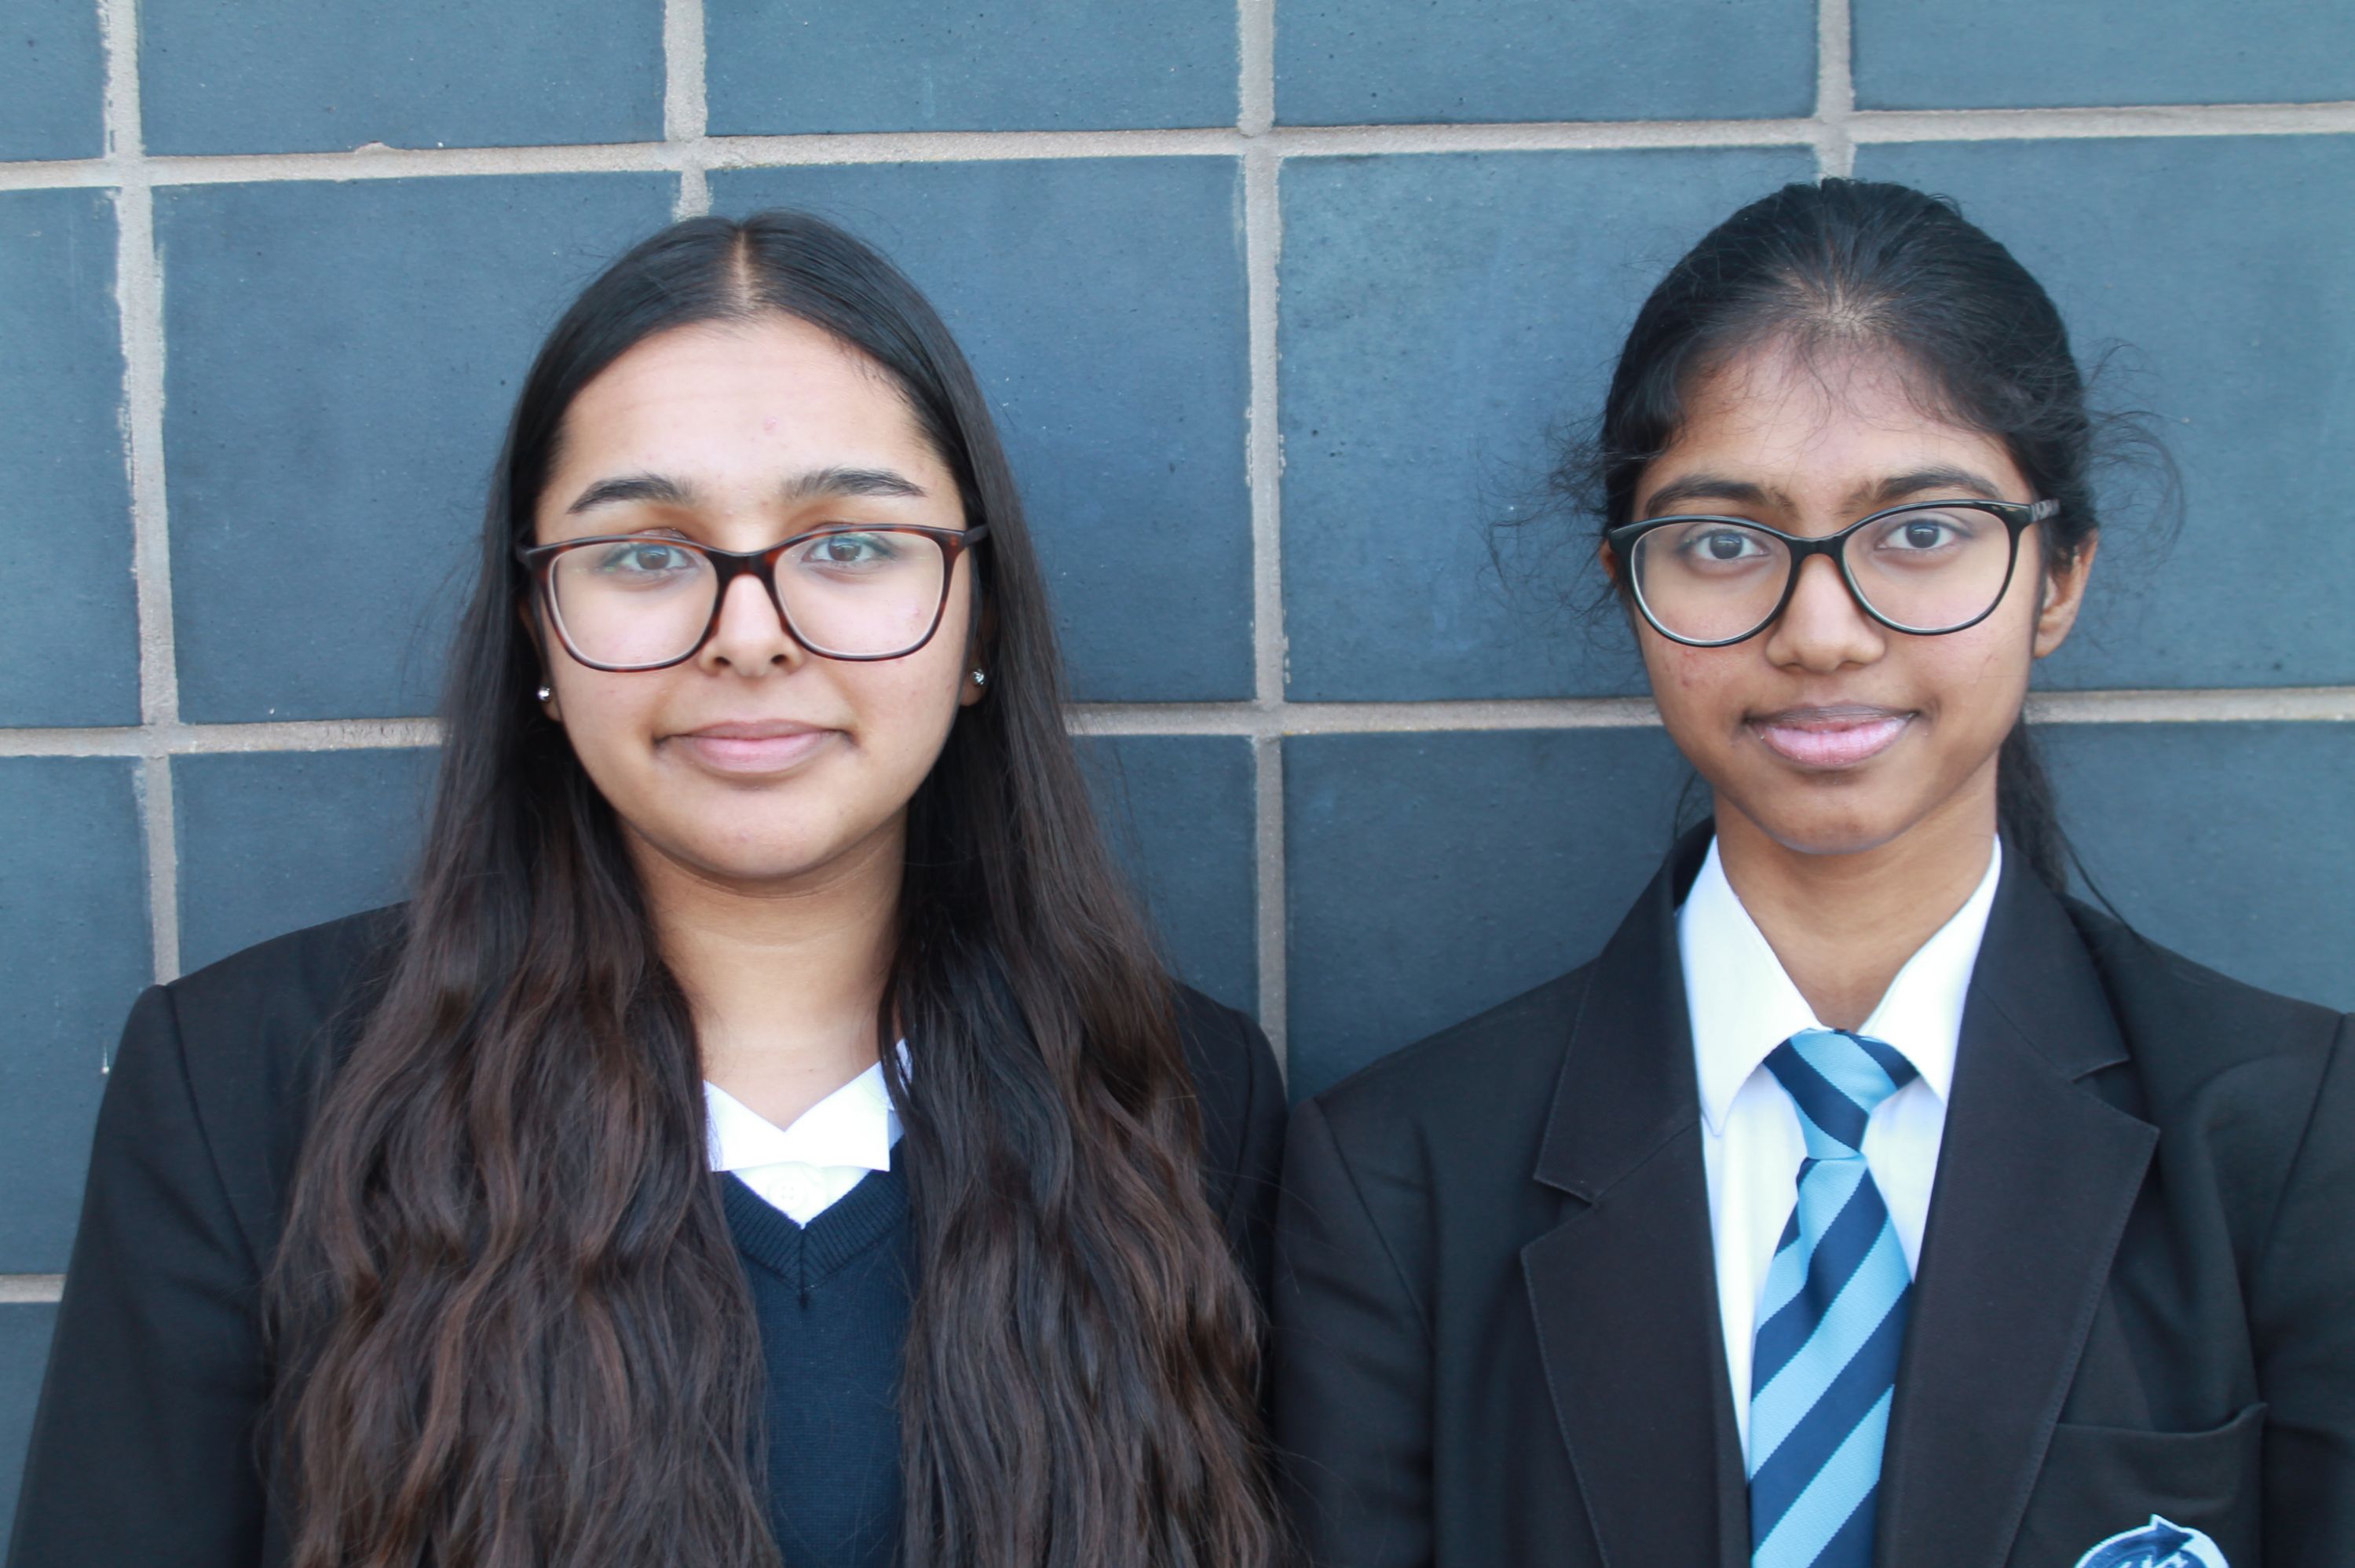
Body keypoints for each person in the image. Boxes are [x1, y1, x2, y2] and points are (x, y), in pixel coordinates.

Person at [9, 210, 1287, 1568]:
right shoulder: (250, 1082)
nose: (749, 635)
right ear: (536, 633)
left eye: (850, 543)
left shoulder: (1178, 1094)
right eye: (644, 554)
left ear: (978, 615)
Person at [1270, 178, 2351, 1568]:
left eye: (1922, 531)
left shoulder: (2293, 1135)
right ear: (1628, 584)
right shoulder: (1402, 1172)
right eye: (1725, 543)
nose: (1824, 629)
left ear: (2061, 574)